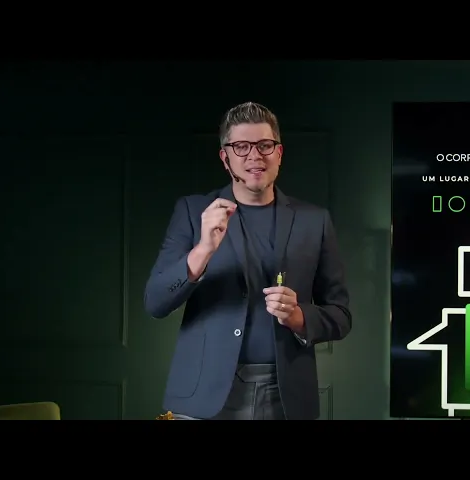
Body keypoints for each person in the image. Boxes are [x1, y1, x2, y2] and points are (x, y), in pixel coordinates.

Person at [144, 101, 352, 420]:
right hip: (203, 395)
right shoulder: (192, 212)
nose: (255, 156)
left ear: (279, 153)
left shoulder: (315, 220)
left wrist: (298, 316)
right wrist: (202, 250)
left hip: (286, 397)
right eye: (241, 146)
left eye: (265, 145)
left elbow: (341, 316)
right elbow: (155, 303)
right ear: (225, 158)